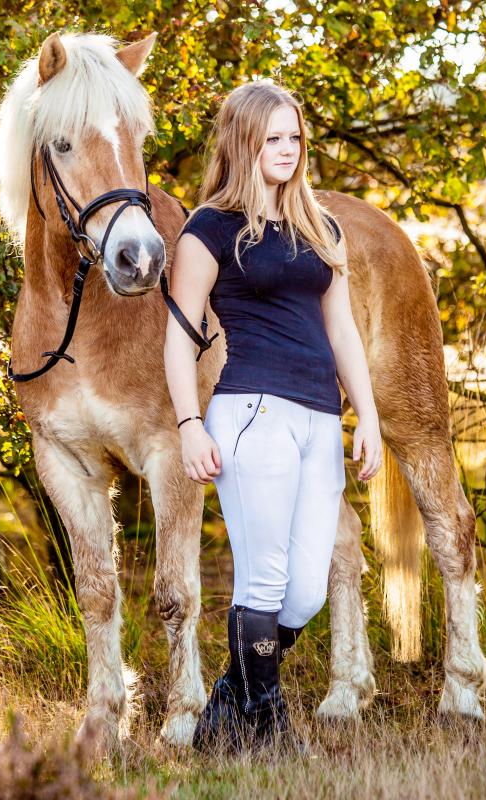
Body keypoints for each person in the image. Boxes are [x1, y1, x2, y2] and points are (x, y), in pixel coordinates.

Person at [162, 80, 382, 754]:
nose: (287, 149)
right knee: (264, 578)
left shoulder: (322, 228)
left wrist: (366, 420)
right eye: (272, 138)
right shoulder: (209, 229)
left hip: (321, 422)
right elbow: (178, 336)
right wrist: (188, 425)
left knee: (306, 593)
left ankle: (227, 712)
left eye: (294, 138)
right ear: (242, 143)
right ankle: (270, 730)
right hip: (251, 413)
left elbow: (342, 331)